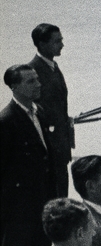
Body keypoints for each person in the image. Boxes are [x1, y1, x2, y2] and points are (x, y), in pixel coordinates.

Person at [3, 65, 58, 246]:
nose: (38, 84)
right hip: (17, 207)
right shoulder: (7, 120)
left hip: (41, 200)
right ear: (15, 87)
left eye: (37, 79)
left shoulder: (38, 112)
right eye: (30, 81)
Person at [30, 23, 72, 198]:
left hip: (60, 147)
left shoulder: (52, 67)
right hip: (49, 150)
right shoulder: (33, 71)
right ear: (42, 43)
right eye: (57, 41)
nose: (62, 45)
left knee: (61, 193)